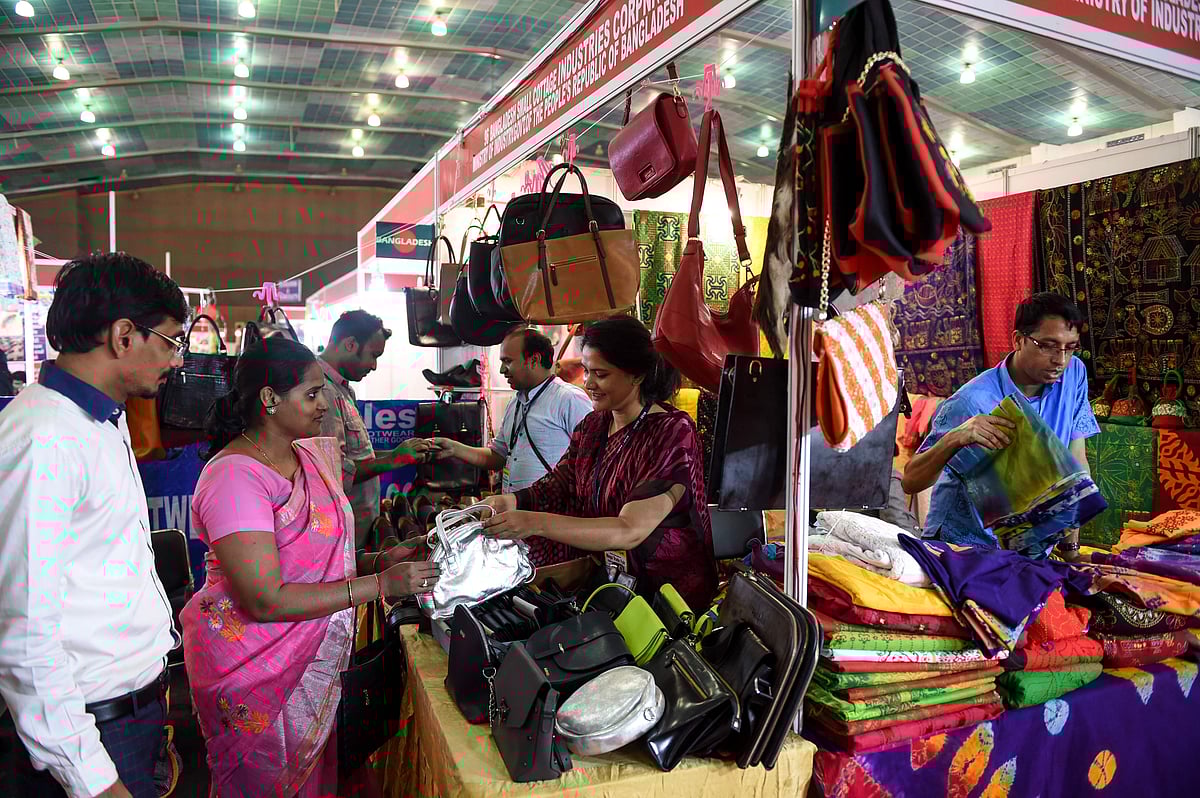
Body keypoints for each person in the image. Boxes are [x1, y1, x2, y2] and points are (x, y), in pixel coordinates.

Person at [181, 333, 439, 797]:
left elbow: (319, 564)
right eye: (312, 393)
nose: (325, 405)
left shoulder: (308, 459)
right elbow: (263, 599)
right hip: (255, 670)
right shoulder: (235, 477)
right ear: (269, 400)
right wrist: (380, 583)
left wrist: (380, 559)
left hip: (307, 661)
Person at [0, 253, 187, 798]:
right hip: (88, 738)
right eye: (171, 340)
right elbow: (23, 634)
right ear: (125, 335)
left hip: (129, 717)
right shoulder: (43, 438)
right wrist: (92, 779)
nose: (176, 361)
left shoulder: (101, 419)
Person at [480, 315, 718, 610]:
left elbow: (628, 529)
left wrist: (533, 522)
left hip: (668, 600)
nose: (589, 383)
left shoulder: (671, 433)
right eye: (587, 372)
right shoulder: (593, 426)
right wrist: (512, 502)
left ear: (637, 374)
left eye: (601, 375)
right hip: (613, 586)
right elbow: (561, 484)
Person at [902, 293, 1100, 557]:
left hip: (1028, 548)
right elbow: (911, 481)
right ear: (1018, 340)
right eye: (1048, 345)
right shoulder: (971, 402)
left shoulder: (1073, 374)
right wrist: (955, 438)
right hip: (964, 547)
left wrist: (1070, 550)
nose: (1060, 360)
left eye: (1070, 346)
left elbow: (1076, 464)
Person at [430, 327, 592, 564]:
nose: (502, 370)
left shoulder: (569, 399)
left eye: (508, 361)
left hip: (552, 523)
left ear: (534, 360)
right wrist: (455, 449)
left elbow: (591, 460)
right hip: (515, 522)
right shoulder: (515, 403)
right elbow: (497, 455)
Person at [319, 310, 429, 548]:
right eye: (373, 355)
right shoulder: (323, 393)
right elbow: (334, 472)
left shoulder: (342, 389)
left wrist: (397, 454)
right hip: (339, 536)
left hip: (355, 531)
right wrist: (393, 460)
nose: (374, 366)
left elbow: (354, 456)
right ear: (350, 344)